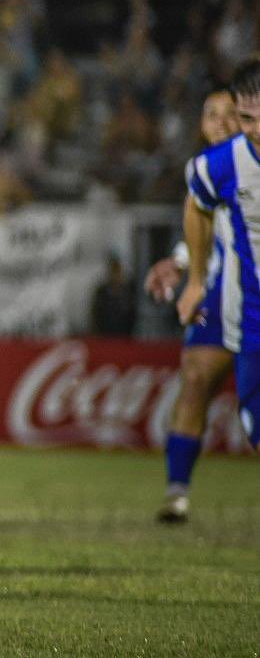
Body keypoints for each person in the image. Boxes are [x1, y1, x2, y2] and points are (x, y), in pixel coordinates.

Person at [143, 86, 238, 522]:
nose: (220, 122)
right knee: (196, 378)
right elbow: (208, 227)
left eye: (230, 113)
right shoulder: (205, 169)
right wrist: (181, 264)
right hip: (221, 293)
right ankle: (176, 492)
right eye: (210, 114)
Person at [178, 63, 260, 479]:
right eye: (247, 118)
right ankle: (176, 490)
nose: (255, 129)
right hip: (250, 317)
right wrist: (194, 279)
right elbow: (197, 207)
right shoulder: (220, 165)